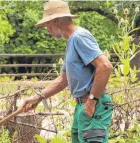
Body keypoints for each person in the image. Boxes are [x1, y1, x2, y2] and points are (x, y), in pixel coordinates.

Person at [22, 1, 114, 143]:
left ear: (56, 20)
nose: (47, 30)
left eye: (47, 25)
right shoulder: (71, 42)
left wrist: (92, 101)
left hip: (93, 105)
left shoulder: (79, 37)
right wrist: (38, 97)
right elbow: (62, 81)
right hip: (81, 106)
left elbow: (105, 66)